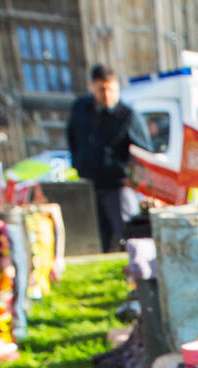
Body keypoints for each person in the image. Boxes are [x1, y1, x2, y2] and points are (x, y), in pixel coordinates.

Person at [66, 64, 153, 252]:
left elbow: (144, 154)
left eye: (110, 90)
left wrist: (134, 181)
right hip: (89, 184)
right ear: (91, 86)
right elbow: (72, 139)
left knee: (128, 234)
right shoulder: (81, 109)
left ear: (117, 88)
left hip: (118, 187)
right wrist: (78, 164)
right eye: (101, 89)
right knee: (99, 237)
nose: (106, 95)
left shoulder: (128, 116)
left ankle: (136, 271)